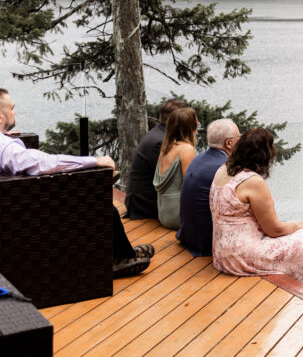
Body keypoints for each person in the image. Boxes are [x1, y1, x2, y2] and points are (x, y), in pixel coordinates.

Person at [0, 88, 153, 277]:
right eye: (12, 108)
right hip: (24, 216)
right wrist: (93, 161)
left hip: (12, 210)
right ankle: (118, 258)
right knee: (100, 204)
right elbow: (40, 163)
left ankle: (123, 252)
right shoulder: (6, 148)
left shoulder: (5, 143)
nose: (14, 112)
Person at [210, 127, 303, 285]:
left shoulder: (222, 170)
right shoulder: (252, 181)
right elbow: (274, 230)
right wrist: (296, 224)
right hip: (242, 256)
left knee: (299, 237)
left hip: (221, 253)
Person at [177, 118, 240, 256]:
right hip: (206, 242)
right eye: (238, 137)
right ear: (229, 143)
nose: (240, 140)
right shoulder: (224, 168)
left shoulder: (198, 159)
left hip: (187, 234)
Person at [125, 98, 188, 219]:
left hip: (144, 200)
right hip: (144, 205)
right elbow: (172, 179)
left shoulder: (158, 133)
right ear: (179, 120)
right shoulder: (161, 142)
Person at [154, 106, 198, 230]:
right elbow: (189, 186)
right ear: (190, 126)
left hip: (163, 213)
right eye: (196, 121)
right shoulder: (186, 149)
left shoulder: (165, 148)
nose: (198, 123)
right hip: (178, 217)